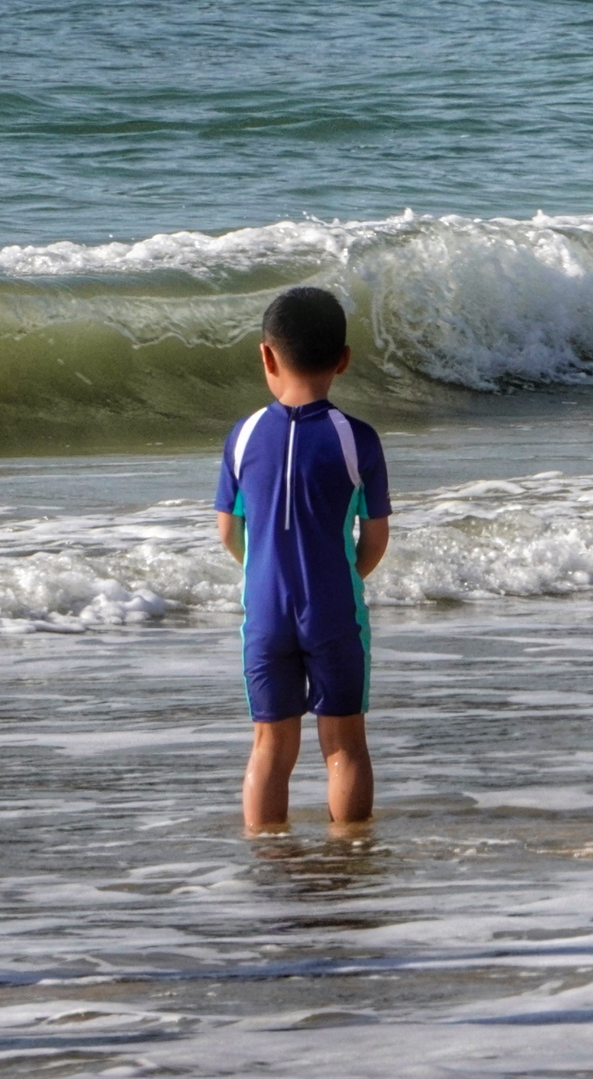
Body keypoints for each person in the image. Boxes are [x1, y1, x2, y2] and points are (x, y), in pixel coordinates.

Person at [215, 286, 391, 828]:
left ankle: (269, 862)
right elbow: (376, 536)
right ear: (343, 360)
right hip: (333, 605)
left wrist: (264, 570)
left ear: (267, 355)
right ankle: (349, 858)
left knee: (270, 747)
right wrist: (344, 576)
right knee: (344, 745)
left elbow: (228, 531)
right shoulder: (356, 438)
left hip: (265, 609)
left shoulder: (242, 437)